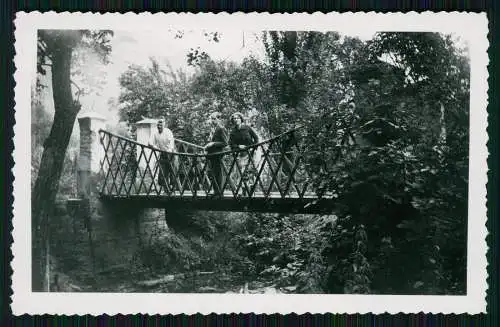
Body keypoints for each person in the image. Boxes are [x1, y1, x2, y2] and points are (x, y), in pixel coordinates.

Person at [228, 112, 259, 194]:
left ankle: (249, 188)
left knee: (249, 170)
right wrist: (238, 146)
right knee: (241, 171)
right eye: (234, 118)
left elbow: (256, 138)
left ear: (241, 119)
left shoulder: (247, 128)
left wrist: (253, 148)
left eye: (237, 118)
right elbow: (231, 143)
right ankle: (242, 189)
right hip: (240, 154)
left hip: (250, 153)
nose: (236, 120)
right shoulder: (233, 132)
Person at [148, 118, 177, 191]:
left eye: (161, 124)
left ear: (164, 125)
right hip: (163, 154)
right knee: (163, 173)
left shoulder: (168, 132)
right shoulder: (155, 133)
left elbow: (171, 143)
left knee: (173, 172)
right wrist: (155, 147)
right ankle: (166, 190)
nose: (159, 126)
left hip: (171, 154)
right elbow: (150, 143)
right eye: (158, 124)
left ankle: (173, 190)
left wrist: (169, 151)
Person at [204, 112, 228, 196]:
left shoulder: (221, 128)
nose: (212, 120)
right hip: (211, 154)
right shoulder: (213, 129)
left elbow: (225, 143)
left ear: (219, 119)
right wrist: (207, 147)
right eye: (212, 119)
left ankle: (219, 192)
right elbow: (211, 141)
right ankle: (215, 191)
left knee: (218, 173)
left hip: (218, 154)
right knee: (213, 173)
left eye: (214, 119)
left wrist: (213, 144)